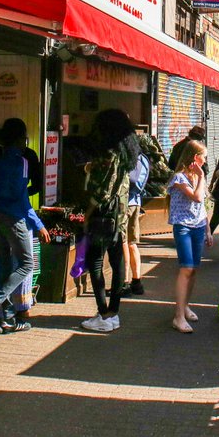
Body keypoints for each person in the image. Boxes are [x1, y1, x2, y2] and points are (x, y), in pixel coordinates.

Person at [0, 118, 50, 334]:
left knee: (6, 265)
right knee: (26, 264)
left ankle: (7, 318)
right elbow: (22, 198)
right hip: (15, 218)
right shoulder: (22, 162)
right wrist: (38, 224)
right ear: (21, 139)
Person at [80, 109, 142, 333]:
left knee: (95, 261)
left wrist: (87, 213)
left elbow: (102, 191)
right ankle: (113, 313)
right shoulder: (126, 152)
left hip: (104, 216)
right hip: (121, 215)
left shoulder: (107, 152)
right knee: (117, 263)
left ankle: (103, 313)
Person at [168, 139, 211, 333]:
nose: (205, 160)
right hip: (183, 226)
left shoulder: (198, 177)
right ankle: (178, 316)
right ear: (195, 157)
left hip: (199, 226)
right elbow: (197, 197)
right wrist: (201, 177)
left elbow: (203, 206)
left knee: (193, 269)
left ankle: (185, 306)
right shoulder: (179, 178)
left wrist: (208, 229)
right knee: (186, 268)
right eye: (204, 157)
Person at [120, 138, 151, 296]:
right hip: (136, 201)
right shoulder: (143, 158)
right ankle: (137, 281)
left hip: (125, 203)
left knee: (123, 242)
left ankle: (124, 283)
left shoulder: (128, 157)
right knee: (131, 243)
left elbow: (129, 180)